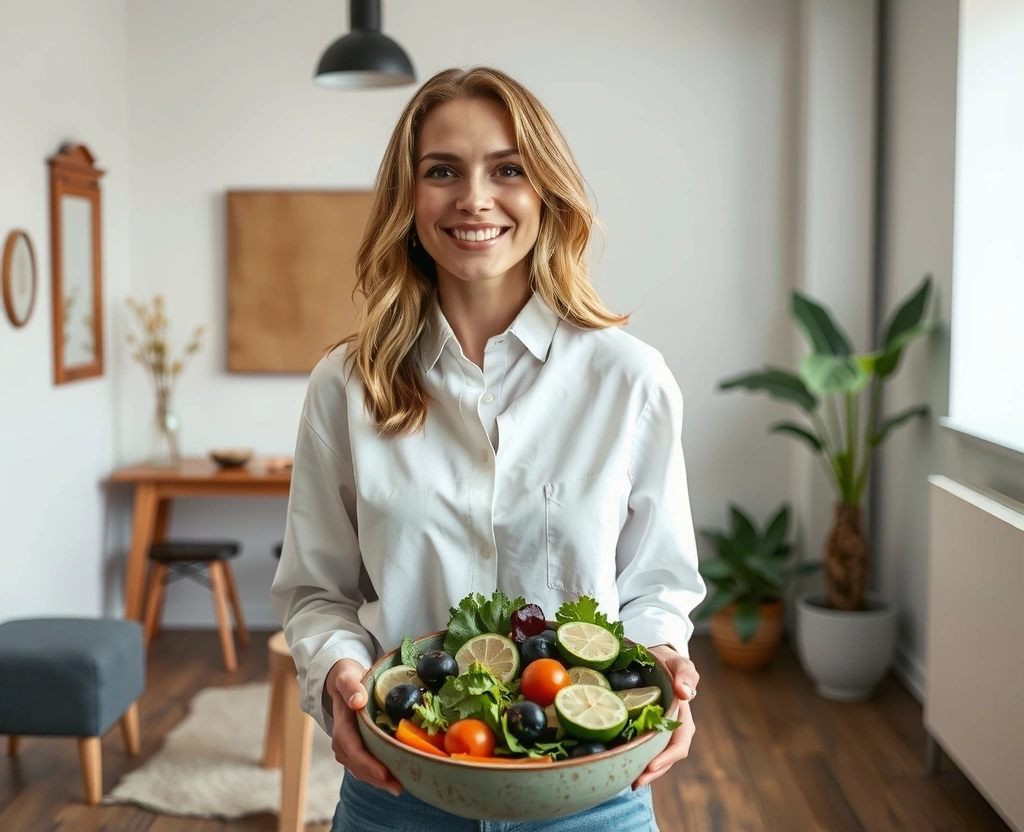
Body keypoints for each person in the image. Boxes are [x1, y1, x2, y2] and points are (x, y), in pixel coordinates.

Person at [271, 66, 706, 832]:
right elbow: (316, 593)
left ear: (546, 192)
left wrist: (661, 661)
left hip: (589, 789)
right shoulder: (346, 385)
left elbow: (657, 585)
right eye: (443, 171)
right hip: (400, 784)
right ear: (409, 198)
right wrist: (336, 670)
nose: (474, 198)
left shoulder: (629, 381)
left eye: (507, 169)